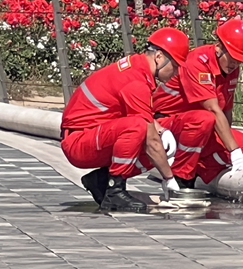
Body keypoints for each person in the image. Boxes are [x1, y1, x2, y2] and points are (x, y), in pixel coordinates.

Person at [60, 28, 190, 213]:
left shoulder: (136, 69)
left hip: (88, 135)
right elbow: (148, 136)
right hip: (79, 142)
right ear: (159, 57)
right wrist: (169, 179)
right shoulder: (135, 81)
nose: (175, 73)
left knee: (155, 142)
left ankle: (101, 181)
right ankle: (115, 191)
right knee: (140, 129)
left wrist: (162, 131)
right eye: (175, 66)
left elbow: (142, 115)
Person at [152, 18, 243, 188]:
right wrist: (234, 153)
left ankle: (199, 171)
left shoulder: (230, 68)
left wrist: (234, 149)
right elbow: (213, 110)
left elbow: (226, 111)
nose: (235, 63)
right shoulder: (197, 62)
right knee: (204, 119)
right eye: (233, 57)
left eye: (240, 59)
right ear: (218, 47)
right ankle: (180, 177)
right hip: (166, 125)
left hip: (200, 128)